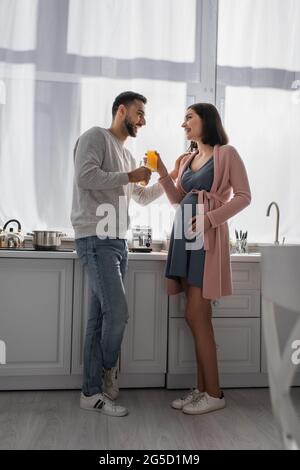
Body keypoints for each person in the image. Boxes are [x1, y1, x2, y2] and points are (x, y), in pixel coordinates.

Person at [71, 91, 173, 417]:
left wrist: (168, 179)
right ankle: (106, 371)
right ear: (121, 111)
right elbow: (86, 177)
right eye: (139, 113)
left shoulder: (128, 157)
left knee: (99, 318)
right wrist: (130, 176)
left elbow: (139, 197)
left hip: (117, 242)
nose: (143, 120)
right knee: (118, 313)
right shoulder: (95, 137)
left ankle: (91, 393)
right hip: (96, 239)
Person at [156, 103, 251, 415]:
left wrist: (210, 219)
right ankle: (201, 390)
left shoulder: (227, 154)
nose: (183, 123)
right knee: (194, 316)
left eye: (189, 117)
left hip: (205, 239)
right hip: (184, 237)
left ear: (206, 121)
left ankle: (214, 392)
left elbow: (243, 196)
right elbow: (176, 199)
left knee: (198, 315)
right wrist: (161, 173)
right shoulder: (187, 159)